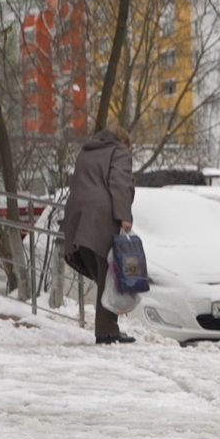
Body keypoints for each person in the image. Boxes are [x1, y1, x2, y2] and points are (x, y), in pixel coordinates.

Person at [61, 127, 136, 344]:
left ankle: (108, 328)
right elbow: (120, 183)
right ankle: (107, 332)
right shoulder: (119, 151)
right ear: (124, 142)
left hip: (77, 218)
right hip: (102, 218)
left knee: (105, 277)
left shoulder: (86, 151)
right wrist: (124, 216)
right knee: (110, 277)